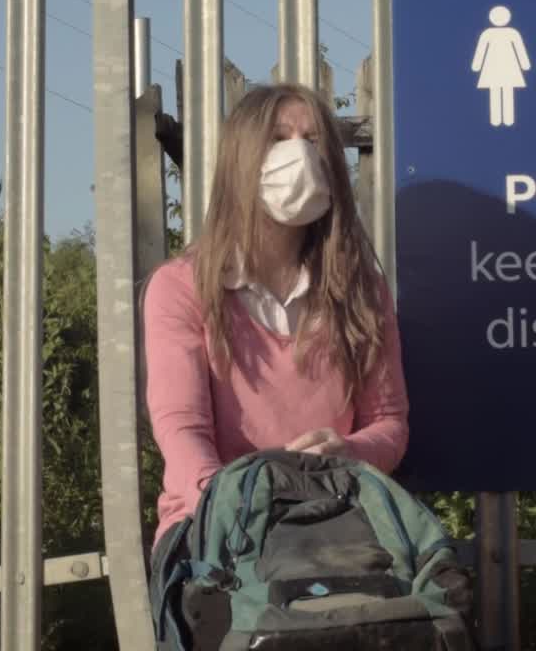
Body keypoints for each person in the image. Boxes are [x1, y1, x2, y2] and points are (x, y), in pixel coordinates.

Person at [142, 83, 411, 550]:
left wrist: (350, 453)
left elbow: (389, 423)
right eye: (279, 139)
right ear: (241, 160)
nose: (299, 155)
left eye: (313, 140)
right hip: (213, 535)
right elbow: (182, 431)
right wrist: (239, 509)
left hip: (333, 526)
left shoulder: (362, 289)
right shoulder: (181, 286)